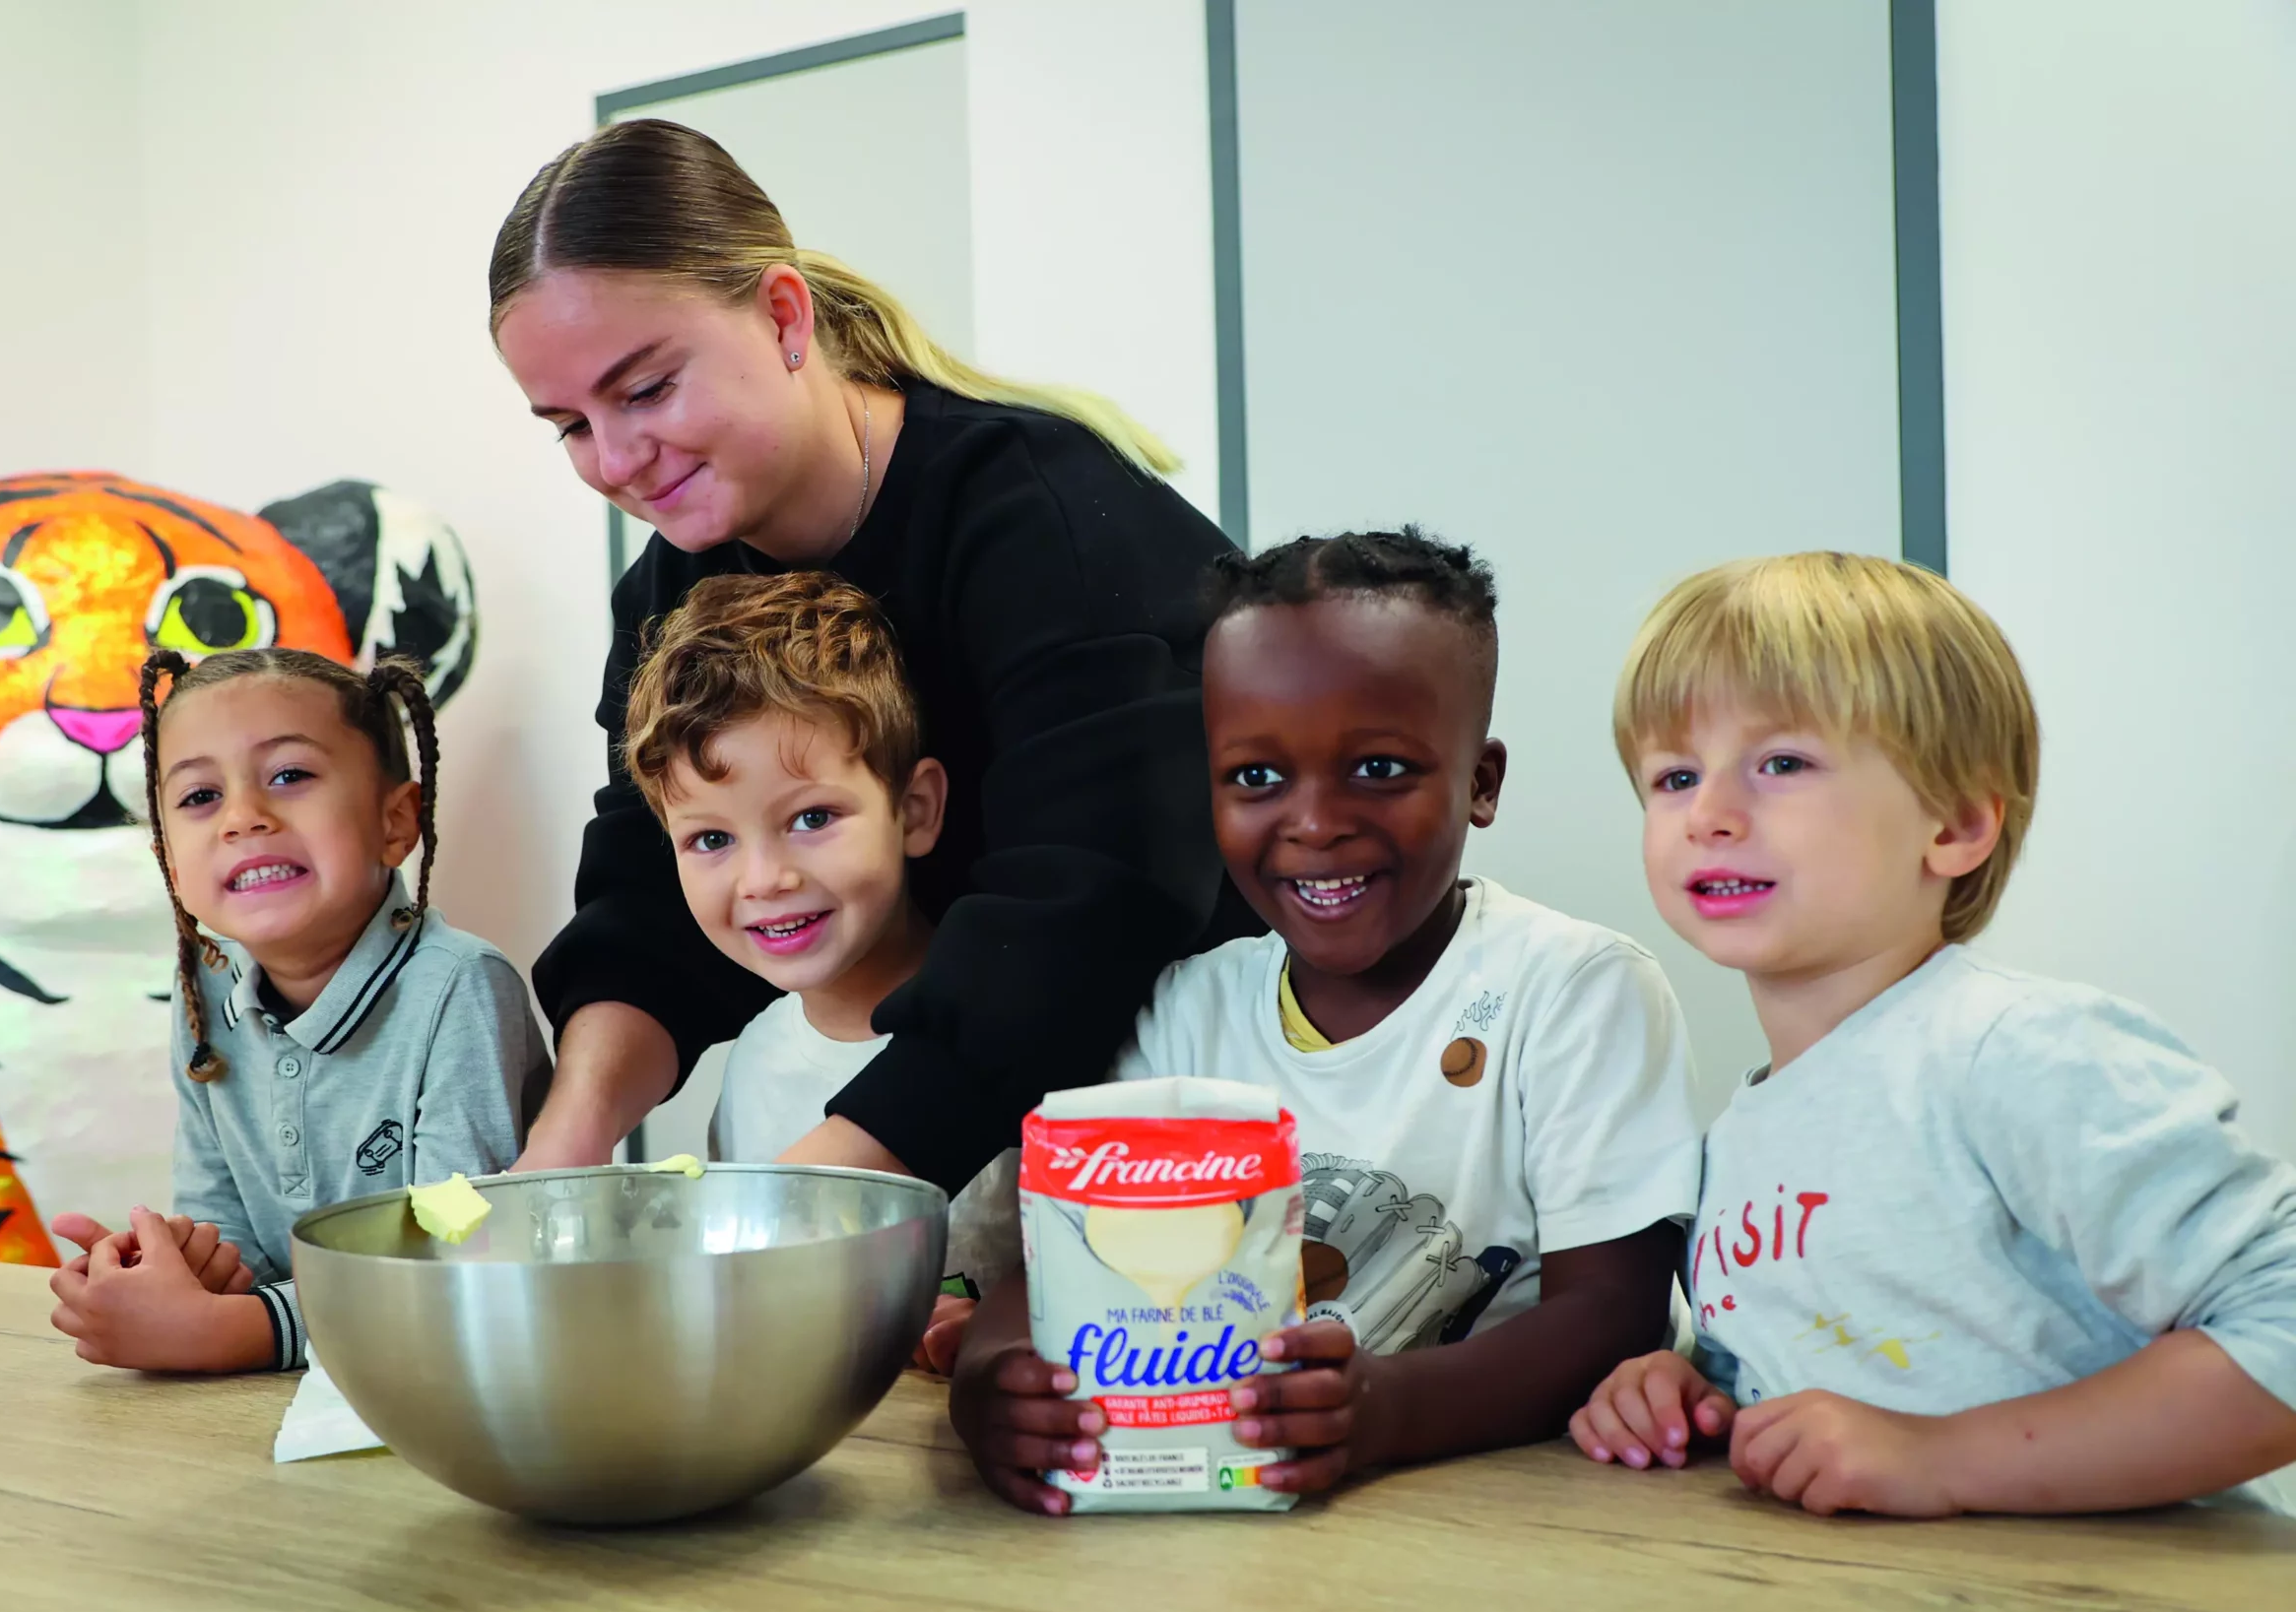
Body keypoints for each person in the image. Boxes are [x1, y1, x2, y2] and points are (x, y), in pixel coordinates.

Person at [490, 118, 1249, 1197]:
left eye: (647, 389)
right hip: (969, 1137)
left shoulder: (1045, 521)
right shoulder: (670, 588)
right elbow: (647, 899)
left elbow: (1084, 920)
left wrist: (808, 1198)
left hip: (1178, 1117)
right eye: (567, 424)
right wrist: (555, 1164)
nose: (614, 461)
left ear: (784, 316)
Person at [951, 530, 1704, 1513]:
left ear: (1480, 781)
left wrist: (1382, 1412)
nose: (1312, 821)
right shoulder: (1186, 1010)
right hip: (1236, 1511)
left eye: (1379, 768)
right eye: (1256, 778)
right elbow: (1070, 1259)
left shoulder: (1575, 988)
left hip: (1522, 1518)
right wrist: (993, 1382)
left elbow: (1612, 1314)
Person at [1571, 551, 2296, 1515]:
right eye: (1672, 777)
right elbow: (1838, 1363)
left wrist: (1942, 1458)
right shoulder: (1740, 1133)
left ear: (1953, 826)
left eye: (1780, 763)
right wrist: (1696, 1391)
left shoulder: (2016, 1051)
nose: (1708, 814)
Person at [46, 649, 549, 1372]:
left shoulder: (462, 988)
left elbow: (455, 1267)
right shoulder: (204, 986)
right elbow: (231, 1232)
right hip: (305, 1392)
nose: (244, 818)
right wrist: (183, 1270)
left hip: (471, 1382)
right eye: (199, 797)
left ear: (396, 821)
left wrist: (227, 1331)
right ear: (171, 861)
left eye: (289, 776)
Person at [623, 570, 1017, 1367]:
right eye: (710, 839)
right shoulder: (752, 1062)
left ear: (915, 810)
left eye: (811, 818)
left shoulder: (1021, 1033)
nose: (763, 878)